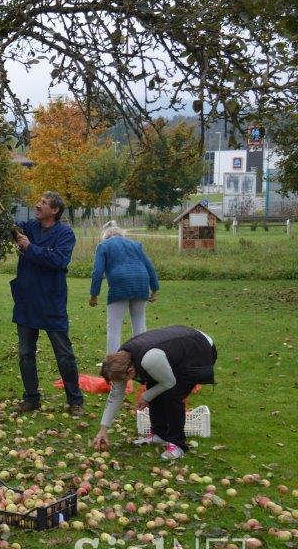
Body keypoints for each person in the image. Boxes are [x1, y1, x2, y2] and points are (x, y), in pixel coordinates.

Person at [91, 325, 217, 460]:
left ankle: (177, 444)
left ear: (130, 372)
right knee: (153, 384)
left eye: (123, 380)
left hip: (199, 348)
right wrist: (103, 429)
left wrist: (146, 396)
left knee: (173, 394)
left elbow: (169, 382)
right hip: (174, 348)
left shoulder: (150, 359)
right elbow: (115, 396)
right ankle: (159, 434)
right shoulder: (120, 361)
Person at [11, 191, 84, 415]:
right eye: (39, 201)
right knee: (25, 353)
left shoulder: (64, 234)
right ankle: (31, 398)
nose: (37, 204)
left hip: (52, 302)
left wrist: (30, 248)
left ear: (55, 210)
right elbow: (7, 227)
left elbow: (58, 260)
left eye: (43, 203)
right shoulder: (29, 227)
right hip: (26, 301)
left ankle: (75, 401)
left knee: (64, 354)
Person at [89, 221, 160, 353]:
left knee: (114, 327)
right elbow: (149, 266)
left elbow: (97, 271)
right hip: (141, 282)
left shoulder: (103, 246)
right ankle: (142, 359)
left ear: (105, 236)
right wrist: (154, 289)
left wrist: (94, 295)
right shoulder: (135, 245)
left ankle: (113, 362)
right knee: (139, 323)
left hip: (119, 284)